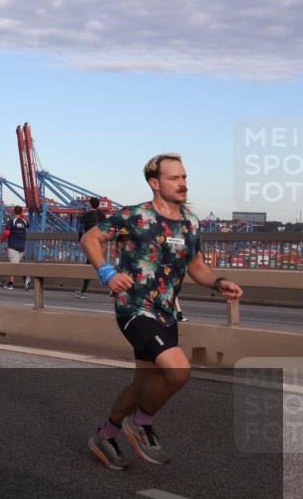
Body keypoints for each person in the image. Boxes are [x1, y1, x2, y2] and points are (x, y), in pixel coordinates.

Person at [82, 153, 242, 470]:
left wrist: (218, 281)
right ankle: (141, 423)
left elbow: (197, 266)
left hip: (166, 311)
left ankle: (106, 433)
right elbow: (91, 238)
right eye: (174, 178)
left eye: (184, 177)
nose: (182, 183)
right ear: (155, 183)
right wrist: (107, 273)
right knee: (178, 370)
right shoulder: (134, 216)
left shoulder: (191, 223)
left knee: (143, 384)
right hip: (134, 308)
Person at [75, 197, 104, 298]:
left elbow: (80, 230)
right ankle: (83, 291)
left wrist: (80, 240)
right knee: (98, 265)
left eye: (88, 202)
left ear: (90, 204)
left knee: (89, 266)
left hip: (90, 244)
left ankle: (83, 292)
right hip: (100, 243)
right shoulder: (102, 215)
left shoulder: (86, 216)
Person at [0, 206, 30, 290]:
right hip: (22, 247)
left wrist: (2, 240)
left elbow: (6, 233)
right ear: (21, 212)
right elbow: (28, 224)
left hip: (13, 246)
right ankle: (23, 278)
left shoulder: (12, 221)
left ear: (13, 212)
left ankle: (12, 284)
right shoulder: (24, 221)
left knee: (13, 266)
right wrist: (23, 215)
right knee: (16, 265)